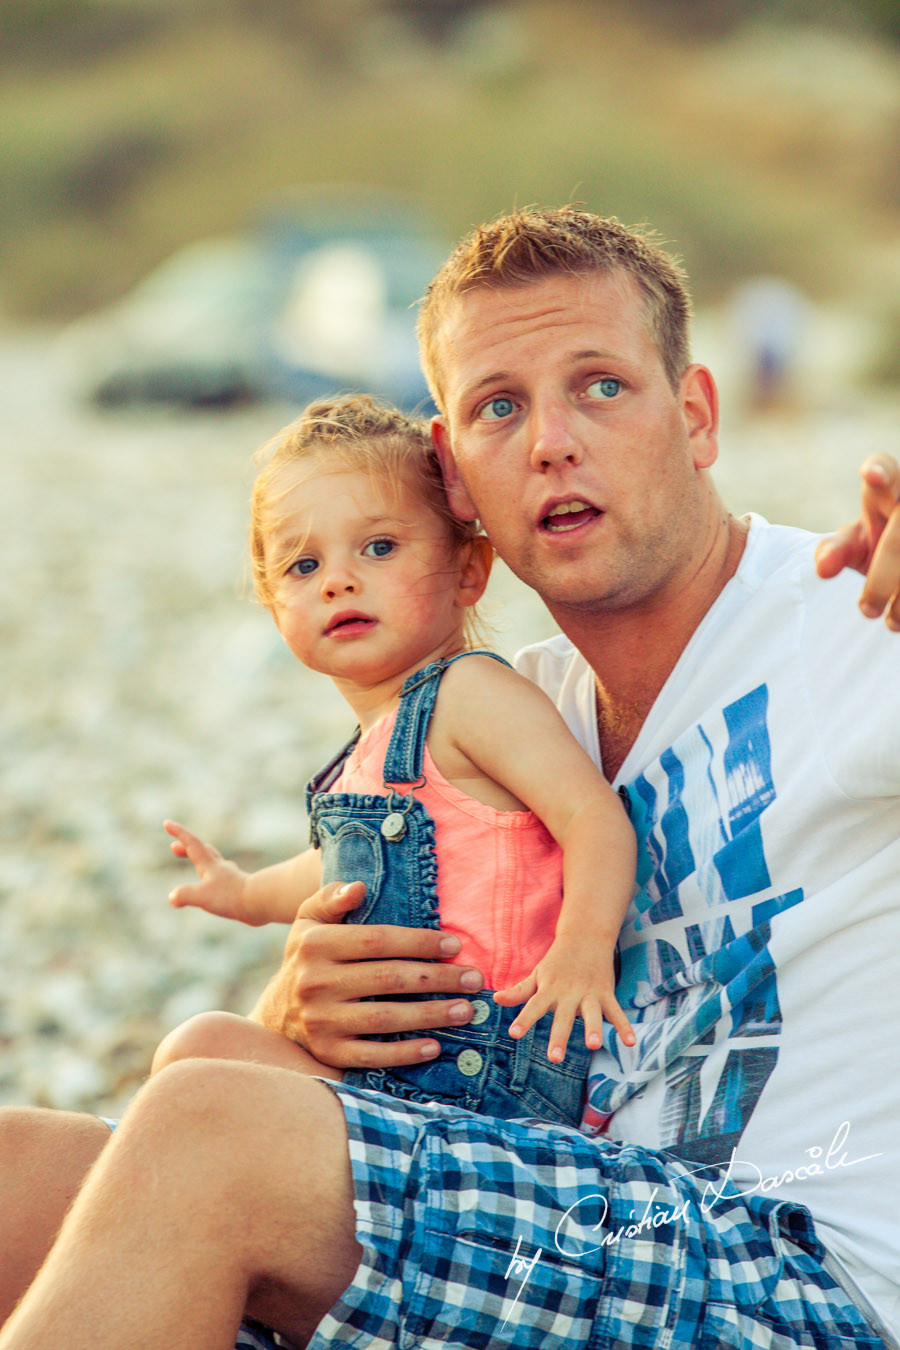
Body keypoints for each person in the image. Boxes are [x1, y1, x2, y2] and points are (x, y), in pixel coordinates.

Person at [2, 207, 900, 1350]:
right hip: (557, 1210)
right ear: (454, 476)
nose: (553, 442)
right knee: (24, 1177)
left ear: (697, 415)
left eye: (602, 388)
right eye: (499, 408)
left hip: (796, 1281)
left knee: (208, 1135)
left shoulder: (857, 619)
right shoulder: (514, 708)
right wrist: (310, 1012)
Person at [151, 392, 637, 1120]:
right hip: (404, 1076)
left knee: (198, 1059)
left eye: (379, 548)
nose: (337, 581)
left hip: (491, 1074)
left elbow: (594, 818)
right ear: (272, 601)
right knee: (198, 1053)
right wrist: (247, 896)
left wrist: (581, 952)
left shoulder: (468, 693)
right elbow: (339, 878)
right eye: (303, 565)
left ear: (468, 571)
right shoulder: (370, 755)